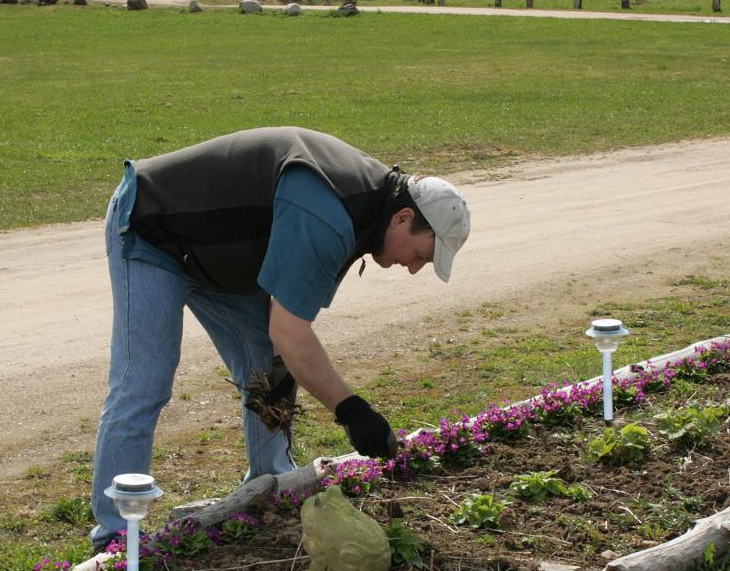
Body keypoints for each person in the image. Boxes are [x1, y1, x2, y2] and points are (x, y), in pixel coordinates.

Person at [89, 126, 471, 549]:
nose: (414, 268)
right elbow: (290, 330)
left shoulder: (369, 211)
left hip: (215, 253)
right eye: (420, 254)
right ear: (403, 218)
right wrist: (351, 410)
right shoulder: (332, 210)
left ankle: (270, 483)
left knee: (266, 363)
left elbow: (284, 328)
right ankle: (115, 539)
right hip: (154, 230)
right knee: (144, 382)